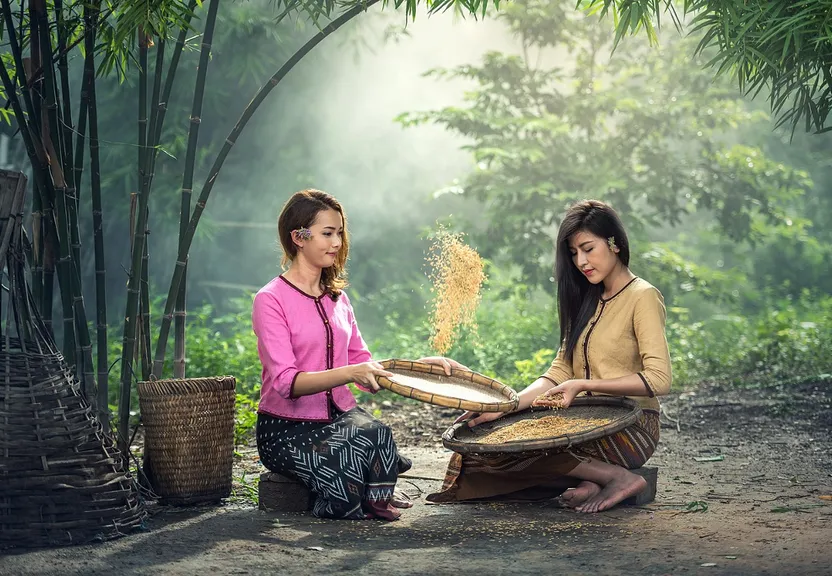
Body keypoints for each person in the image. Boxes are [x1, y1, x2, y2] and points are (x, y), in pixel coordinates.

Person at [428, 199, 672, 513]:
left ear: (614, 243)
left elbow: (659, 379)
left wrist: (580, 385)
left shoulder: (643, 296)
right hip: (578, 423)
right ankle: (589, 481)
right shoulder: (586, 297)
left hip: (630, 426)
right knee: (481, 449)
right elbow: (558, 372)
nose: (581, 261)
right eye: (573, 253)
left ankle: (618, 478)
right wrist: (506, 407)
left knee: (525, 453)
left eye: (588, 248)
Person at [253, 188, 465, 521]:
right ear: (299, 237)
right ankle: (360, 489)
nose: (337, 242)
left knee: (377, 433)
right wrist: (351, 373)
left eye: (339, 232)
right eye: (327, 233)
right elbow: (286, 383)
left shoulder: (337, 299)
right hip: (286, 428)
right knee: (351, 469)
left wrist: (418, 368)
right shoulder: (270, 300)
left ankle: (373, 490)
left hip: (339, 418)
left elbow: (362, 362)